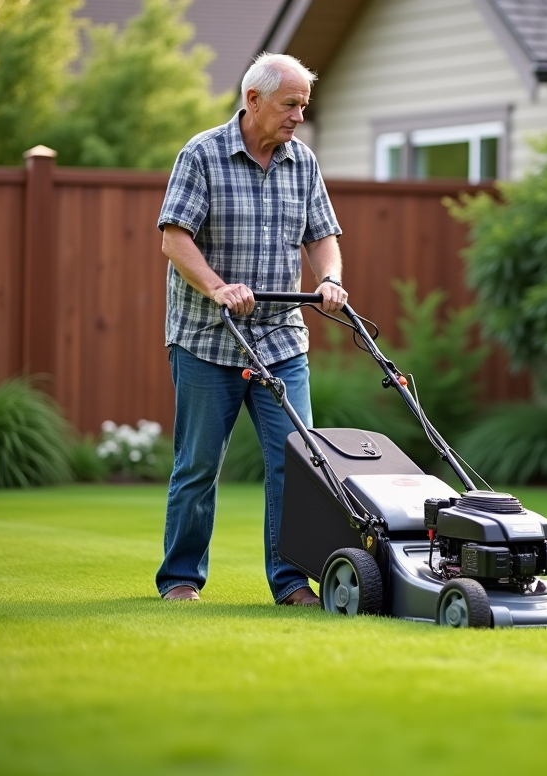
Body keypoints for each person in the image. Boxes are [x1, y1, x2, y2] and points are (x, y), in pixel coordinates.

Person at [154, 52, 347, 605]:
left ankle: (291, 582)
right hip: (207, 340)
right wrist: (218, 287)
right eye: (290, 105)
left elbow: (322, 236)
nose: (298, 117)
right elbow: (174, 239)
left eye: (304, 106)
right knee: (197, 467)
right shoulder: (202, 154)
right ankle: (181, 579)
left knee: (299, 461)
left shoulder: (302, 162)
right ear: (254, 100)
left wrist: (329, 279)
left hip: (281, 339)